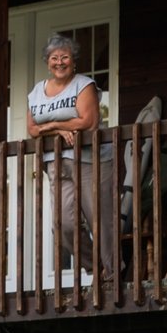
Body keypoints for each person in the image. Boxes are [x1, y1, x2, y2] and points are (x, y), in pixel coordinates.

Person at [26, 34, 115, 281]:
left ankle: (112, 273)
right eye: (54, 58)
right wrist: (59, 129)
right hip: (55, 162)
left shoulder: (83, 85)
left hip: (91, 162)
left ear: (73, 61)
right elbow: (33, 129)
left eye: (65, 57)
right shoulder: (36, 93)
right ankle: (95, 267)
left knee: (100, 220)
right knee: (63, 225)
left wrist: (52, 122)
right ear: (47, 62)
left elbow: (88, 121)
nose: (60, 62)